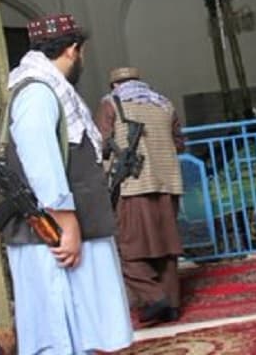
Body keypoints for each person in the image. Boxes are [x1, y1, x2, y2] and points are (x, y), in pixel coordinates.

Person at [2, 14, 132, 354]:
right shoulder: (38, 92)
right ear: (73, 50)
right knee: (59, 334)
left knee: (80, 330)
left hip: (62, 230)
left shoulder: (50, 90)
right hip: (53, 233)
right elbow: (41, 161)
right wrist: (65, 221)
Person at [95, 67, 185, 324]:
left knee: (128, 249)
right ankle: (173, 305)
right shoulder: (164, 104)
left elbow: (100, 144)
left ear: (114, 85)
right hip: (168, 185)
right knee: (166, 248)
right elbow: (179, 144)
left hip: (132, 188)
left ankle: (156, 297)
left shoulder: (111, 104)